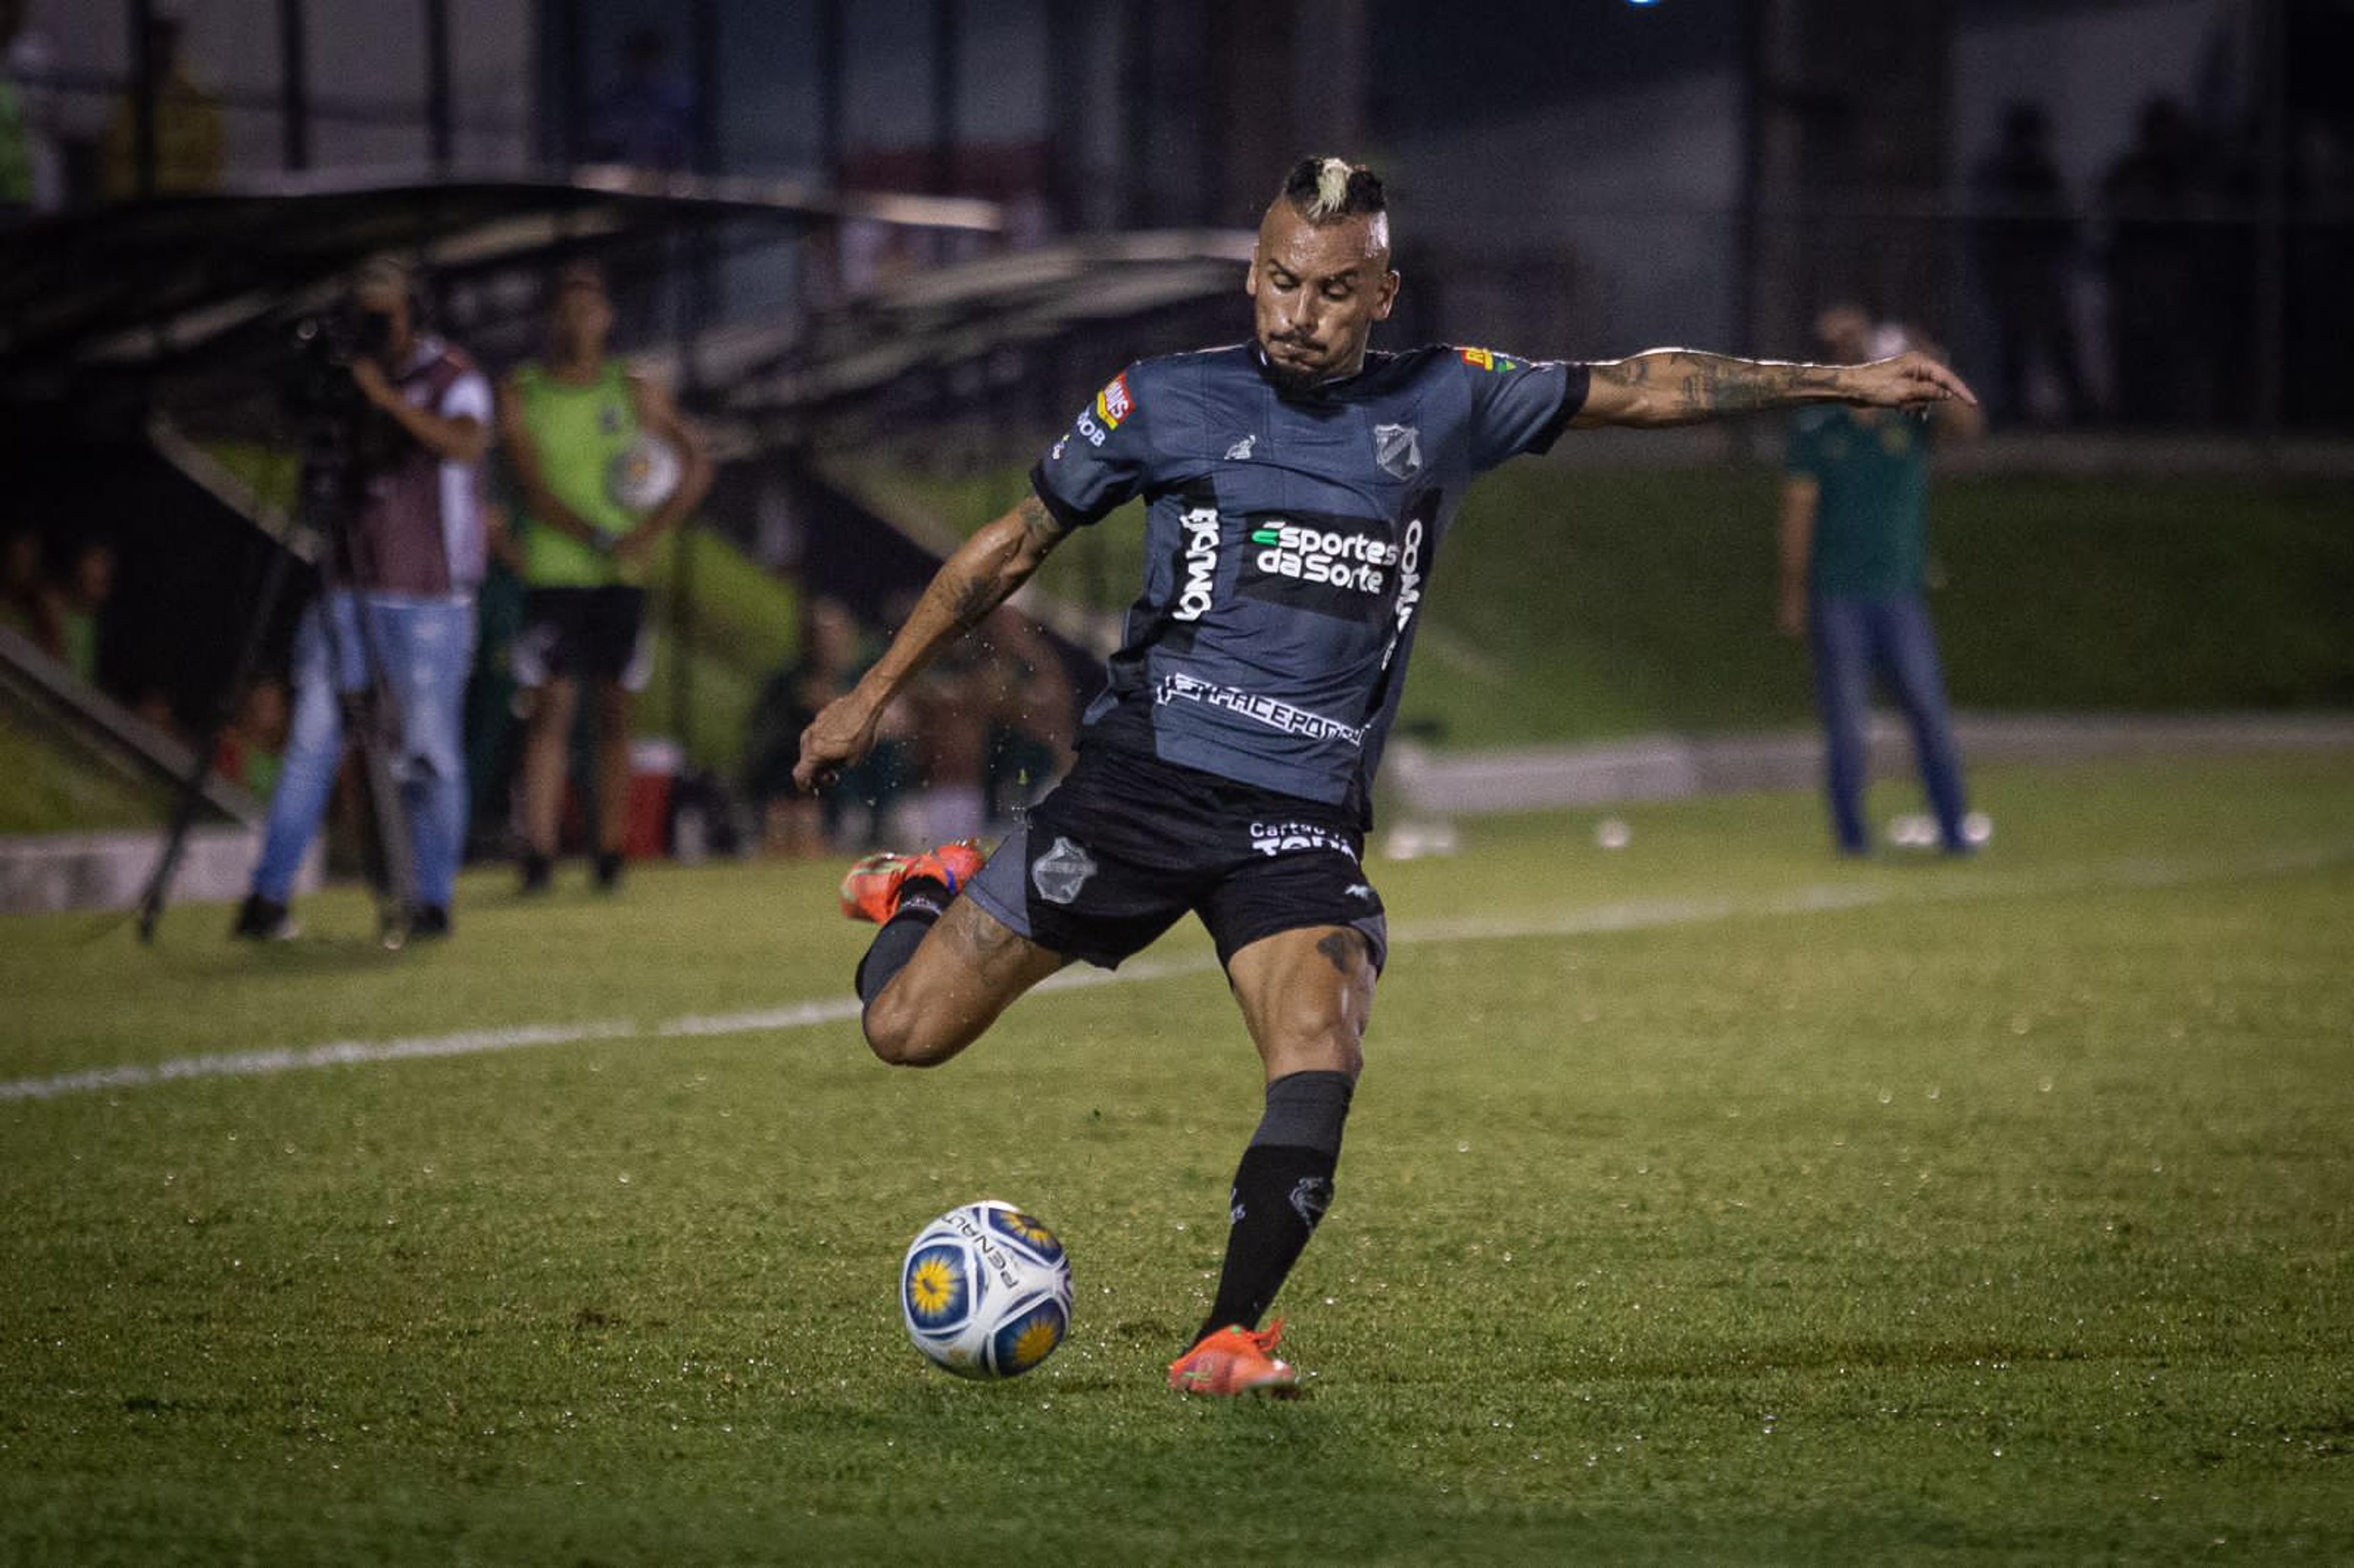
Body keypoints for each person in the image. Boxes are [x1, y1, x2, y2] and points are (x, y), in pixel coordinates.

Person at [793, 158, 1977, 1398]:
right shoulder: (1163, 399)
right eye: (1282, 282)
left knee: (1320, 1042)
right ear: (1255, 275)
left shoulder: (1451, 398)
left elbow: (1643, 383)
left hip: (1297, 813)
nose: (1299, 312)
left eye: (1334, 290)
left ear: (1383, 295)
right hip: (1141, 782)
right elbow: (1012, 545)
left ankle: (1228, 1333)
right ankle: (925, 895)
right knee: (903, 1029)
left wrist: (1838, 378)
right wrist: (870, 692)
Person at [234, 256, 491, 942]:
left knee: (430, 753)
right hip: (346, 587)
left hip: (431, 598)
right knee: (313, 742)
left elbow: (466, 443)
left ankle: (431, 897)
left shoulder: (451, 376)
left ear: (416, 312)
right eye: (363, 314)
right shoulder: (344, 380)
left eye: (385, 314)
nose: (374, 329)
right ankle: (267, 897)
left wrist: (384, 399)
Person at [500, 260, 711, 894]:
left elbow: (694, 460)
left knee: (615, 712)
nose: (578, 322)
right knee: (552, 708)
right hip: (555, 572)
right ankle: (538, 851)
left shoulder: (634, 388)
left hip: (621, 577)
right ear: (552, 320)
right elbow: (531, 484)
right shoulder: (525, 390)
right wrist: (594, 533)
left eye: (589, 310)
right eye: (567, 310)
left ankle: (611, 852)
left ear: (608, 319)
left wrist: (651, 530)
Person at [1777, 304, 1986, 858]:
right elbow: (1798, 513)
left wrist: (1928, 355)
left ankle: (1954, 829)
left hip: (1899, 593)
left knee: (1929, 713)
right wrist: (1795, 593)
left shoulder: (1907, 413)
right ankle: (1851, 839)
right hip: (1839, 594)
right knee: (1848, 725)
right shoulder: (1818, 424)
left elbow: (1967, 422)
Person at [1970, 101, 2089, 425]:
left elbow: (2063, 225)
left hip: (2043, 272)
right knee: (2014, 344)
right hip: (2013, 272)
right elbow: (1988, 228)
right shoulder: (1997, 173)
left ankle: (2081, 409)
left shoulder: (2044, 173)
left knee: (2059, 341)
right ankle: (2012, 410)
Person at [98, 13, 223, 200]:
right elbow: (114, 161)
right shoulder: (125, 100)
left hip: (186, 213)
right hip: (136, 211)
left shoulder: (201, 98)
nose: (158, 47)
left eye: (165, 38)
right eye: (152, 38)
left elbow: (211, 168)